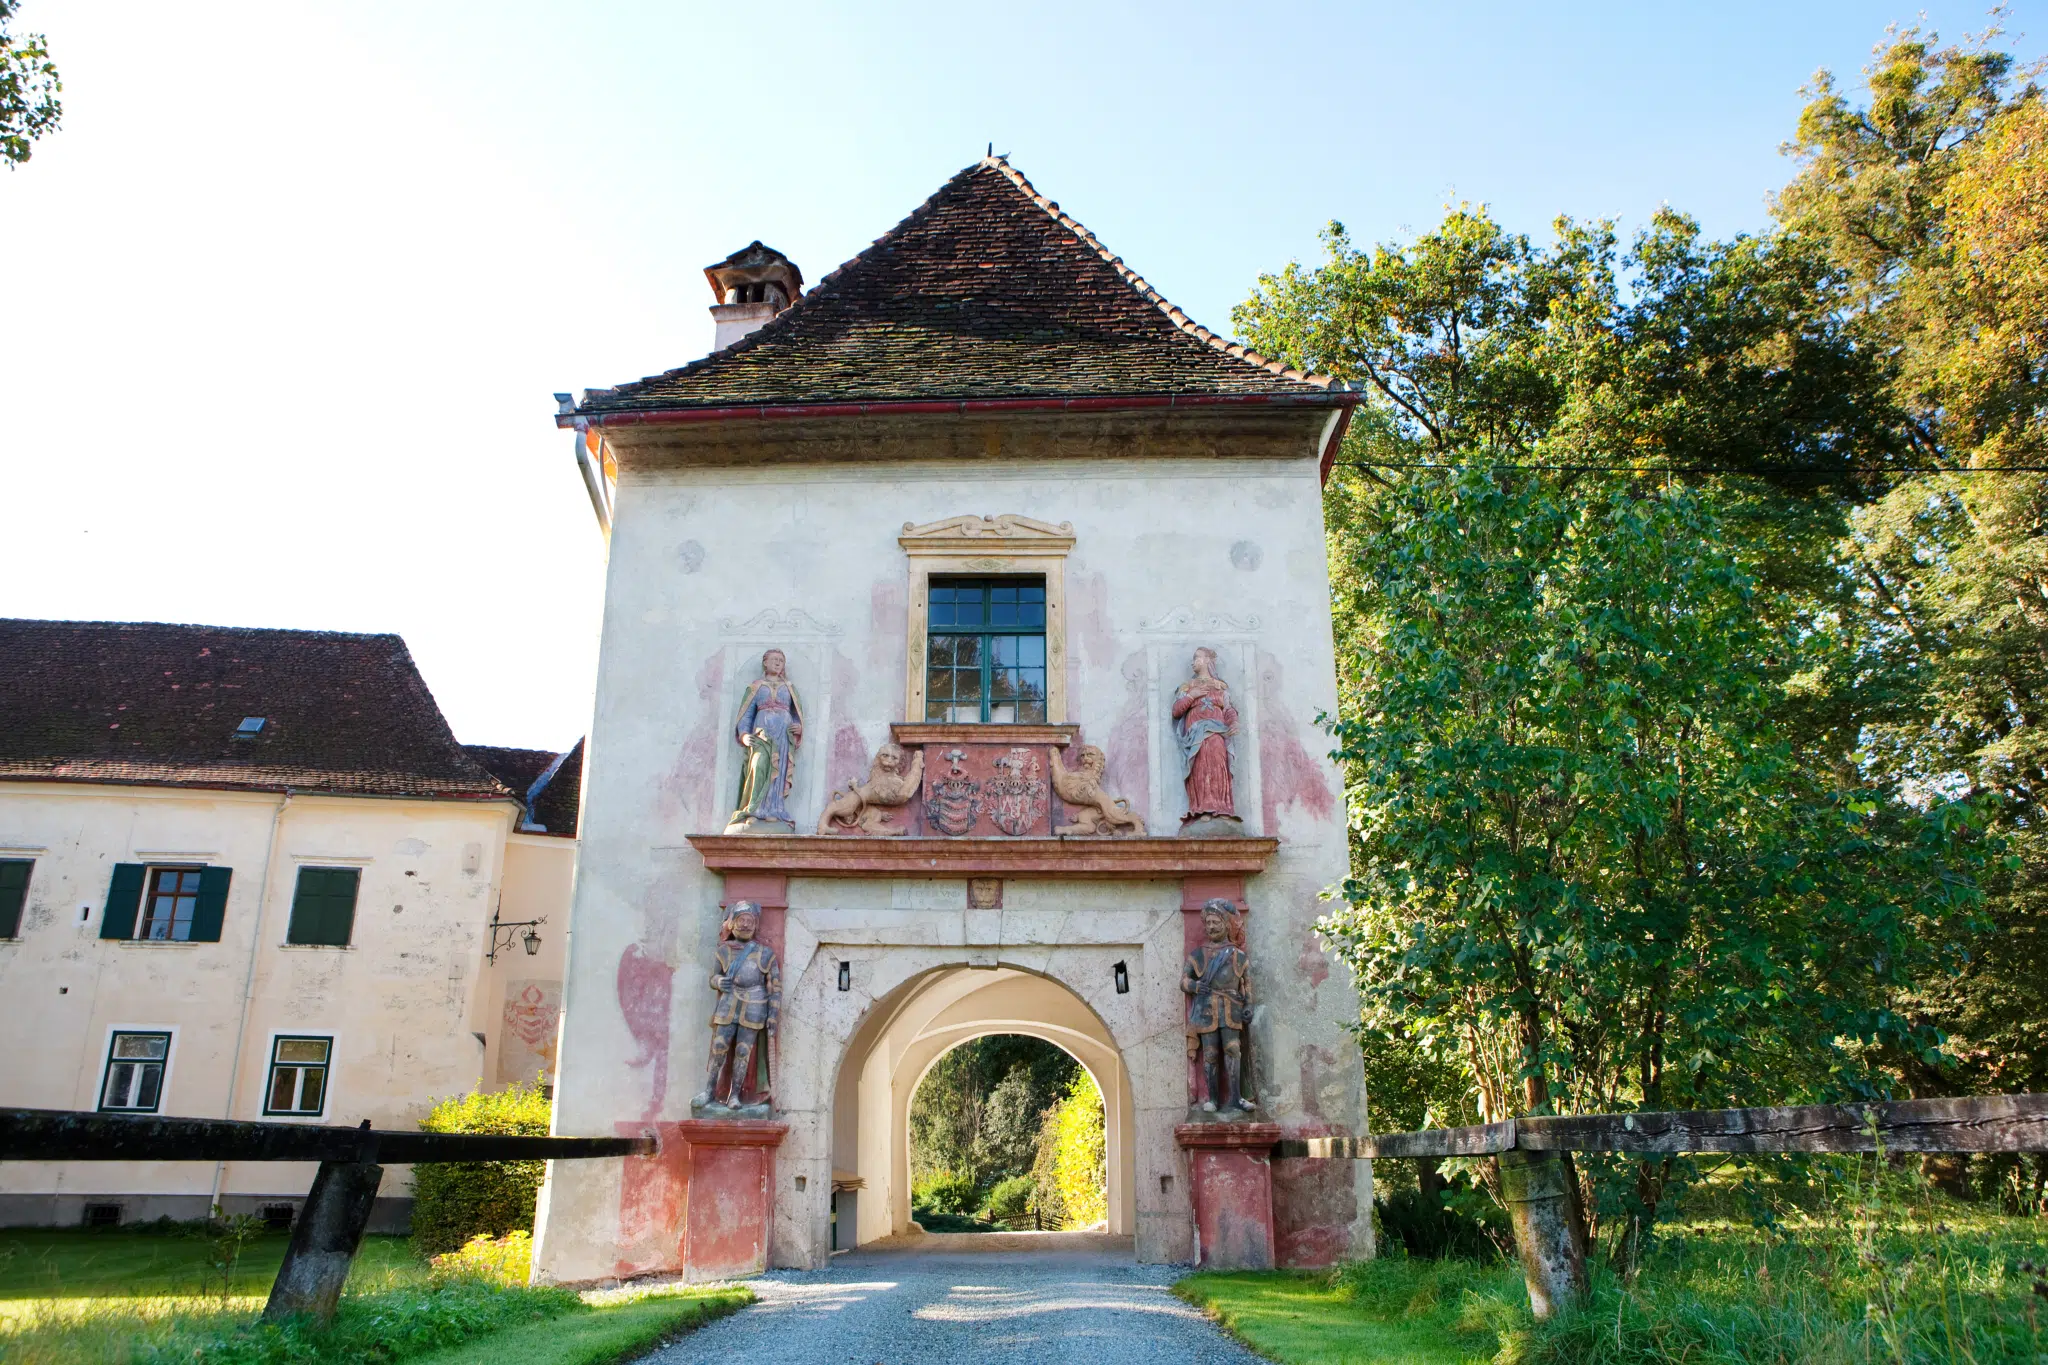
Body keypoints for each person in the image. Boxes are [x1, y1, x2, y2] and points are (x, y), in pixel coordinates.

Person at [694, 902, 782, 1112]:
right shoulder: (723, 951)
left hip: (754, 1005)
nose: (744, 925)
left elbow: (775, 986)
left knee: (743, 1051)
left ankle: (735, 1095)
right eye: (741, 921)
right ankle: (709, 1090)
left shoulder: (765, 954)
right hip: (728, 1003)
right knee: (719, 1048)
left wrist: (772, 1015)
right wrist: (717, 982)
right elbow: (714, 976)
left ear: (756, 925)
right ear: (732, 924)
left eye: (749, 921)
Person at [1183, 898, 1254, 1112]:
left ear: (1226, 924)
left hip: (1231, 1008)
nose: (1212, 927)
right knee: (1211, 1053)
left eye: (1216, 923)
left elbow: (1247, 984)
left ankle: (1236, 1098)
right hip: (1206, 1008)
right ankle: (1213, 1099)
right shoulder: (1197, 955)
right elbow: (1184, 981)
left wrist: (1248, 1004)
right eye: (1209, 923)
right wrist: (1195, 986)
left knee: (1233, 1049)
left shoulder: (1238, 955)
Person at [726, 648, 805, 833]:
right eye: (774, 659)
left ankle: (774, 810)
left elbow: (797, 714)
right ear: (765, 662)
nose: (778, 663)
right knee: (759, 766)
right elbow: (746, 715)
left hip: (783, 736)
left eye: (781, 661)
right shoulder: (756, 686)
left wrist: (798, 727)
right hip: (761, 735)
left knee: (779, 772)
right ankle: (754, 809)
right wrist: (744, 735)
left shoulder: (789, 687)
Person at [1172, 647, 1238, 825]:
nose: (1193, 662)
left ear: (1208, 660)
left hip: (1217, 733)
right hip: (1195, 736)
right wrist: (1191, 696)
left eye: (1197, 658)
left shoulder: (1220, 687)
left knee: (1217, 764)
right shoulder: (1188, 686)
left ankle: (1222, 806)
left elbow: (1229, 709)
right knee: (1200, 766)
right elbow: (1177, 710)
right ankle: (1202, 807)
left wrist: (1233, 723)